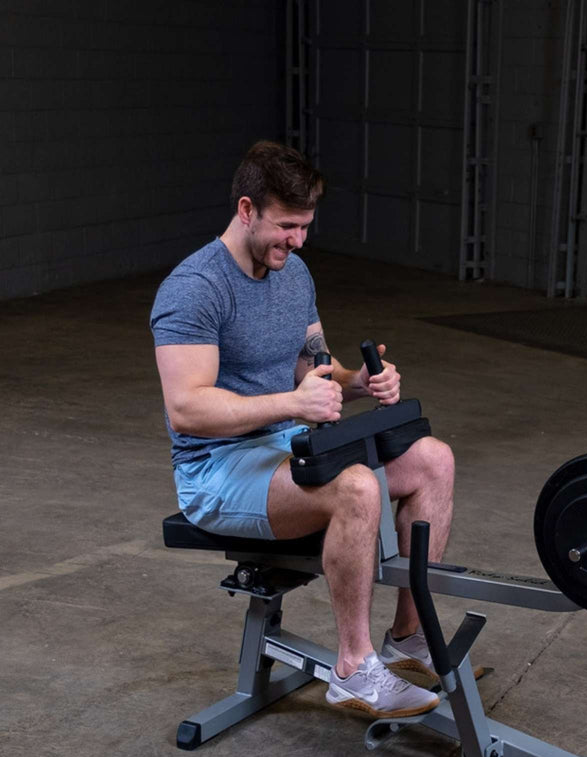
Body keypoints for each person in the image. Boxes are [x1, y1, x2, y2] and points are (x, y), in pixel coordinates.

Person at [150, 140, 454, 719]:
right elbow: (187, 408)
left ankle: (409, 640)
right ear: (246, 210)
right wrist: (293, 401)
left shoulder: (294, 272)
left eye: (305, 226)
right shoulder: (194, 288)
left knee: (433, 458)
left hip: (286, 448)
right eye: (286, 226)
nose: (297, 240)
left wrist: (357, 380)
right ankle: (352, 669)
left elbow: (313, 365)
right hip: (216, 471)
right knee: (358, 487)